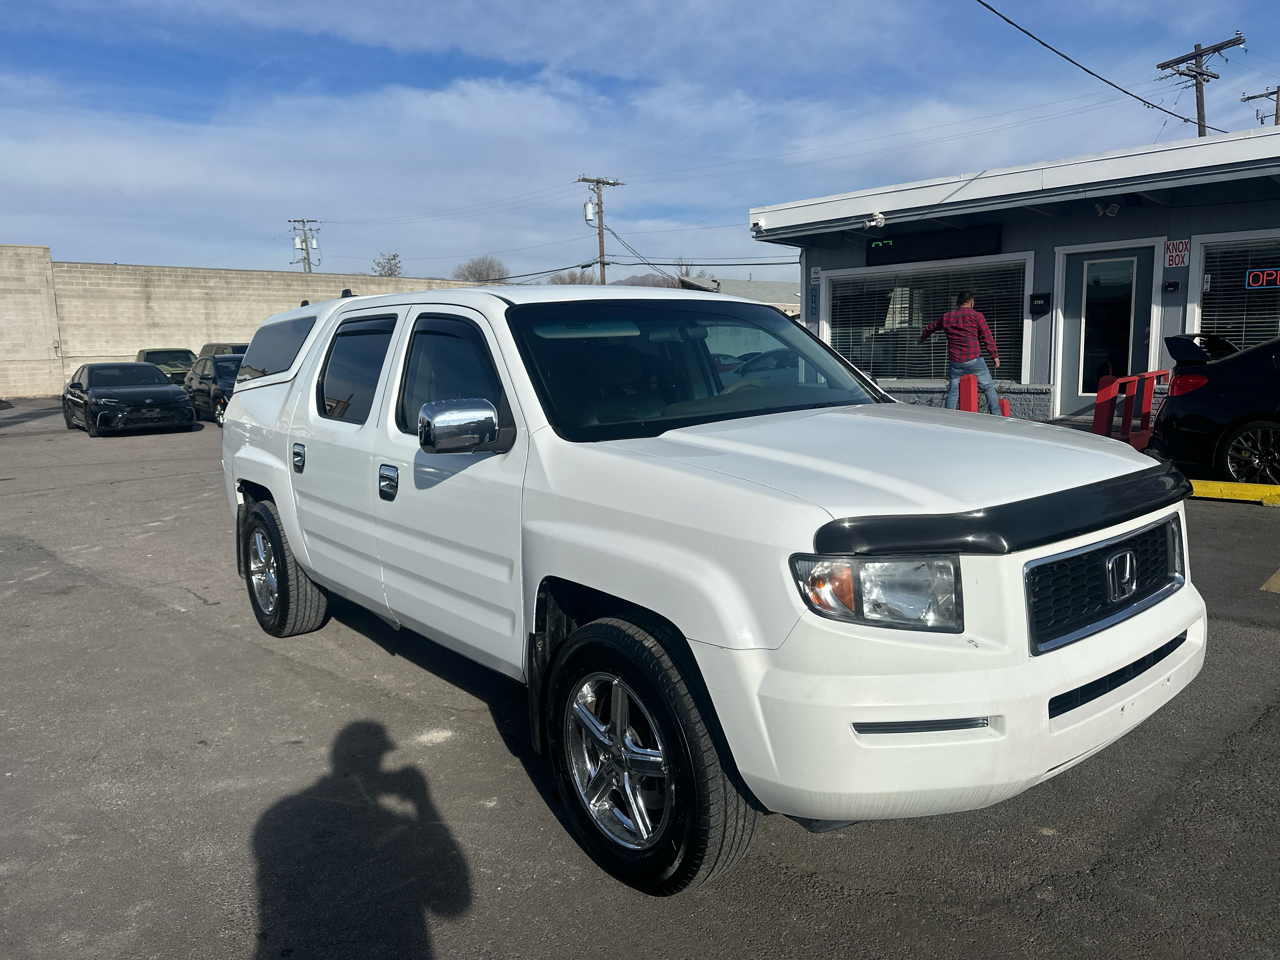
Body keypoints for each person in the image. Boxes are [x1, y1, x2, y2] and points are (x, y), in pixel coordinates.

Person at [919, 290, 1002, 414]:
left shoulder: (947, 317)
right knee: (988, 387)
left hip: (956, 363)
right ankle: (996, 415)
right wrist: (994, 356)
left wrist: (922, 338)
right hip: (974, 360)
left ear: (957, 303)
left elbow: (931, 327)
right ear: (972, 303)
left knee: (953, 393)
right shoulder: (977, 316)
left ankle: (948, 418)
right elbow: (987, 336)